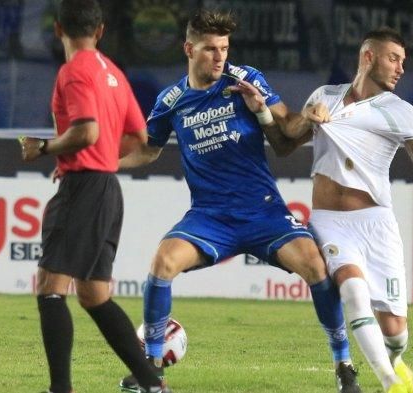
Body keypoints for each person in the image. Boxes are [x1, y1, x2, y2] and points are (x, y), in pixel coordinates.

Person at [118, 9, 360, 393]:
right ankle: (151, 369)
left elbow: (285, 128)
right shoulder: (171, 100)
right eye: (211, 49)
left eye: (224, 49)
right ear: (188, 48)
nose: (220, 58)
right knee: (163, 262)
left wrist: (309, 117)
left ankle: (344, 365)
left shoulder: (244, 79)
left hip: (264, 211)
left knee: (315, 265)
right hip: (210, 217)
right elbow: (147, 151)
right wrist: (103, 164)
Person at [282, 28, 413, 393]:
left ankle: (395, 361)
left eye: (403, 61)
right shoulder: (324, 97)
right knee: (352, 290)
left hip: (376, 224)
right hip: (330, 222)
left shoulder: (402, 112)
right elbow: (289, 138)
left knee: (395, 330)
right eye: (394, 58)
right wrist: (307, 117)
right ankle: (389, 382)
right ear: (368, 57)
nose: (401, 68)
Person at [18, 1, 171, 392]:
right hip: (106, 189)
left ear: (57, 30)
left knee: (51, 288)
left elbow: (86, 131)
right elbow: (140, 139)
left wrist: (45, 148)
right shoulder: (113, 72)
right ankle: (152, 384)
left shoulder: (74, 71)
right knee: (94, 294)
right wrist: (102, 161)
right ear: (100, 30)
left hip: (83, 188)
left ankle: (60, 389)